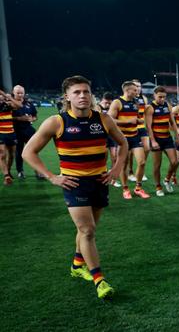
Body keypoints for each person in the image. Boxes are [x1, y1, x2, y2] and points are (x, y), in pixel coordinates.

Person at [21, 75, 127, 299]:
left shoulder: (104, 119)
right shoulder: (56, 122)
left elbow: (123, 143)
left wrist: (117, 169)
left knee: (87, 230)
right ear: (67, 97)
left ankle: (77, 265)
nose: (82, 96)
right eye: (77, 92)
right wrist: (52, 177)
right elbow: (28, 152)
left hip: (99, 181)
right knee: (87, 231)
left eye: (86, 92)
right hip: (74, 183)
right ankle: (100, 280)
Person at [108, 81, 150, 199]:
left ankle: (138, 188)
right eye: (134, 90)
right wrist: (127, 122)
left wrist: (138, 121)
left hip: (135, 136)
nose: (137, 92)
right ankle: (125, 189)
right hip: (122, 138)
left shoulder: (135, 102)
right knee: (124, 164)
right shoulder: (117, 102)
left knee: (142, 162)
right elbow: (110, 120)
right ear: (127, 91)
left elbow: (134, 118)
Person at [145, 86, 179, 197]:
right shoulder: (150, 108)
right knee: (157, 165)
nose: (162, 99)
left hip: (167, 138)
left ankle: (167, 179)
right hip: (156, 139)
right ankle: (158, 186)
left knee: (175, 161)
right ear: (154, 95)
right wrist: (153, 141)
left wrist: (177, 135)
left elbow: (173, 122)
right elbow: (148, 127)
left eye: (164, 97)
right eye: (160, 97)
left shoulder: (167, 106)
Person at [11, 85, 39, 180]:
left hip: (28, 130)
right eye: (18, 93)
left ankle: (38, 171)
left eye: (21, 93)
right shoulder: (9, 104)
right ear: (13, 92)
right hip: (15, 131)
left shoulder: (29, 103)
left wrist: (32, 119)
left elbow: (35, 116)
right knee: (19, 152)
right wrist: (19, 118)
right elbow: (4, 117)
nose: (20, 95)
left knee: (33, 151)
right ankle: (20, 171)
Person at [127, 79, 150, 182]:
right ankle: (130, 172)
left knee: (147, 148)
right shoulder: (129, 98)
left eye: (140, 86)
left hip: (141, 127)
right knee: (130, 153)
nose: (138, 88)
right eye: (136, 86)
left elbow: (145, 113)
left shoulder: (143, 98)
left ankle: (141, 171)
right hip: (132, 128)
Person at [0, 89, 22, 184]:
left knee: (12, 155)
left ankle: (8, 171)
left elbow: (19, 106)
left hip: (10, 133)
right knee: (2, 155)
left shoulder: (7, 104)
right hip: (0, 133)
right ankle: (6, 176)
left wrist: (8, 97)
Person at [97, 92, 119, 186]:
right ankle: (102, 175)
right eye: (106, 102)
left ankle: (113, 179)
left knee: (114, 156)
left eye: (110, 103)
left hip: (111, 134)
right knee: (103, 158)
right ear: (103, 99)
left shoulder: (112, 107)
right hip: (102, 135)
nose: (108, 104)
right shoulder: (98, 107)